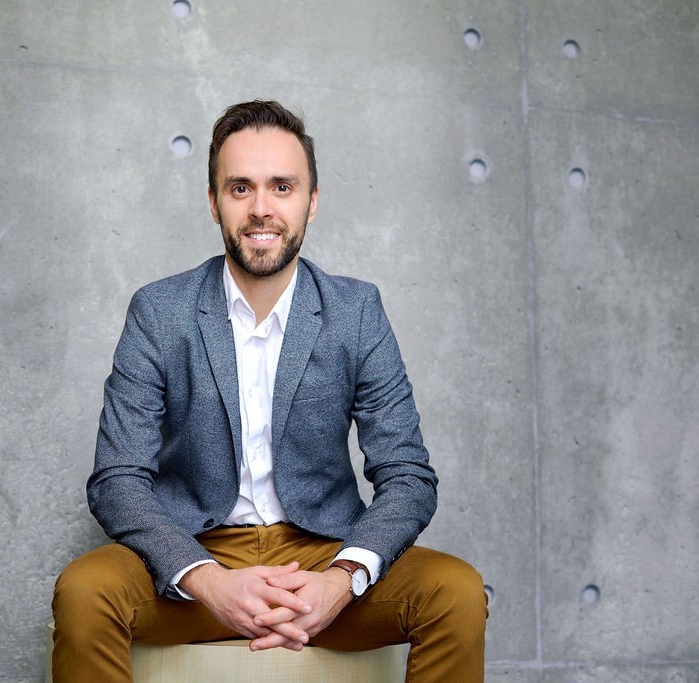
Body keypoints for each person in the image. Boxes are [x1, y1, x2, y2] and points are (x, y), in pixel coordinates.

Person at [52, 100, 487, 681]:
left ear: (312, 200)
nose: (261, 209)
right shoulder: (159, 311)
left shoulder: (356, 312)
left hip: (321, 556)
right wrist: (208, 579)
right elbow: (117, 480)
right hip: (193, 553)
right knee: (84, 591)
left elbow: (408, 476)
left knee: (455, 592)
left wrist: (341, 580)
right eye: (240, 188)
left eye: (282, 187)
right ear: (214, 203)